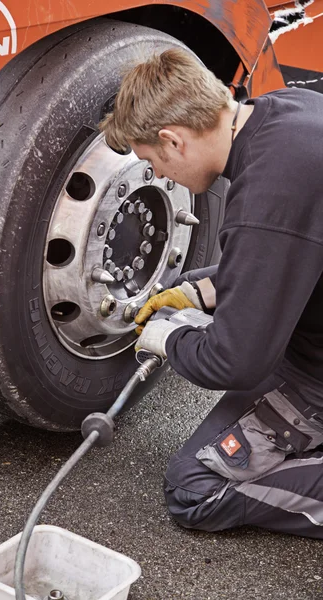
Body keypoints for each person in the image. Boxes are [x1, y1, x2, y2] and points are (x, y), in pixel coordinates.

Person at [100, 47, 323, 538]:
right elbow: (293, 250)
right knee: (191, 285)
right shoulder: (288, 112)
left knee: (196, 489)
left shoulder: (271, 191)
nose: (158, 176)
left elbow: (236, 362)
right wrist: (200, 292)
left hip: (316, 377)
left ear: (172, 139)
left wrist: (169, 340)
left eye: (152, 161)